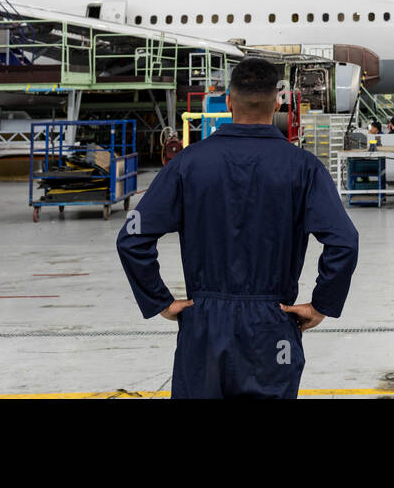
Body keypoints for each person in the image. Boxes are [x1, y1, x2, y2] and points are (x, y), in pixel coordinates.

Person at [116, 57, 359, 399]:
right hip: (272, 326)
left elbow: (132, 237)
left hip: (203, 326)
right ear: (278, 101)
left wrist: (162, 301)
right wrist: (322, 304)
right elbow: (345, 241)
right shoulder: (303, 168)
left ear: (229, 101)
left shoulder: (188, 163)